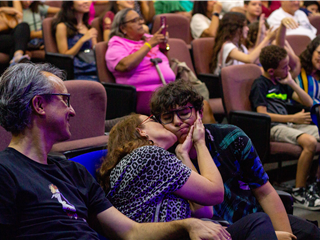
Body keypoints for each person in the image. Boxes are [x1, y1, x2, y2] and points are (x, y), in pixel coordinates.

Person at [0, 62, 237, 240]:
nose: (72, 111)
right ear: (39, 105)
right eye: (65, 100)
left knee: (256, 226)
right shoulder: (6, 172)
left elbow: (130, 232)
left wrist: (187, 225)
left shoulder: (74, 172)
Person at [150, 79, 320, 239]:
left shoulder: (231, 137)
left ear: (200, 112)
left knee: (311, 233)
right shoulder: (164, 159)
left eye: (184, 113)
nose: (177, 122)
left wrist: (282, 234)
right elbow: (201, 213)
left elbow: (264, 191)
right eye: (167, 118)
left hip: (254, 215)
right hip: (218, 230)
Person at [99, 113, 279, 240]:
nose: (162, 123)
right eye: (153, 120)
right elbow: (215, 194)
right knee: (257, 223)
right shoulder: (149, 156)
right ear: (142, 132)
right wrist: (200, 143)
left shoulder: (148, 161)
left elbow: (204, 210)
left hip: (182, 235)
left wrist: (184, 155)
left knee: (258, 225)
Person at [249, 45, 320, 210]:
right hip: (272, 127)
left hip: (288, 124)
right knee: (309, 142)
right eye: (285, 67)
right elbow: (263, 114)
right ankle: (299, 191)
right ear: (272, 71)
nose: (289, 69)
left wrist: (290, 82)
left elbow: (309, 102)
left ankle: (315, 183)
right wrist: (293, 117)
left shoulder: (282, 82)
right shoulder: (260, 85)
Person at [209, 11, 276, 75]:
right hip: (227, 84)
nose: (247, 29)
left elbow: (255, 59)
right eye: (244, 26)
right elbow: (249, 59)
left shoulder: (239, 45)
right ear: (235, 28)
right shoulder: (227, 46)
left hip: (238, 79)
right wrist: (267, 39)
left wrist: (261, 33)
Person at [52, 0, 98, 81]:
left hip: (91, 64)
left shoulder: (87, 26)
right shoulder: (62, 26)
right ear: (71, 5)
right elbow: (64, 56)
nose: (86, 1)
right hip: (78, 69)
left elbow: (95, 51)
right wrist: (82, 40)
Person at [0, 1, 30, 66]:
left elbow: (19, 14)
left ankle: (17, 55)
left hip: (11, 32)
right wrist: (3, 9)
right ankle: (17, 59)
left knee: (24, 25)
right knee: (18, 40)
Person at [297, 36, 320, 105]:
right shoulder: (297, 67)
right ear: (312, 51)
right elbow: (281, 45)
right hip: (297, 111)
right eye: (319, 53)